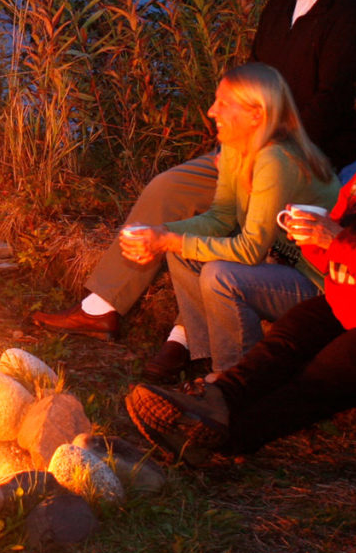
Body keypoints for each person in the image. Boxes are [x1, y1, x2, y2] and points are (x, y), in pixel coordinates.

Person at [32, 0, 356, 341]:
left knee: (231, 225)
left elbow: (334, 104)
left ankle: (187, 341)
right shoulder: (280, 6)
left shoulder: (355, 11)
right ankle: (102, 305)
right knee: (168, 187)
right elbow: (252, 82)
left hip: (314, 162)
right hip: (252, 150)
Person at [123, 63, 356, 464]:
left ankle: (223, 441)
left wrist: (335, 239)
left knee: (326, 372)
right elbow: (334, 251)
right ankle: (214, 401)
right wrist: (311, 238)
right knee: (290, 335)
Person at [119, 62, 339, 381]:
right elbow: (221, 217)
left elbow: (249, 251)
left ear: (256, 114)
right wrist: (163, 234)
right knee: (182, 253)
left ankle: (235, 377)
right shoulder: (237, 145)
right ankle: (207, 354)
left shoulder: (276, 159)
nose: (211, 111)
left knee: (219, 275)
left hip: (317, 284)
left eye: (224, 103)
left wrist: (170, 239)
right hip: (277, 265)